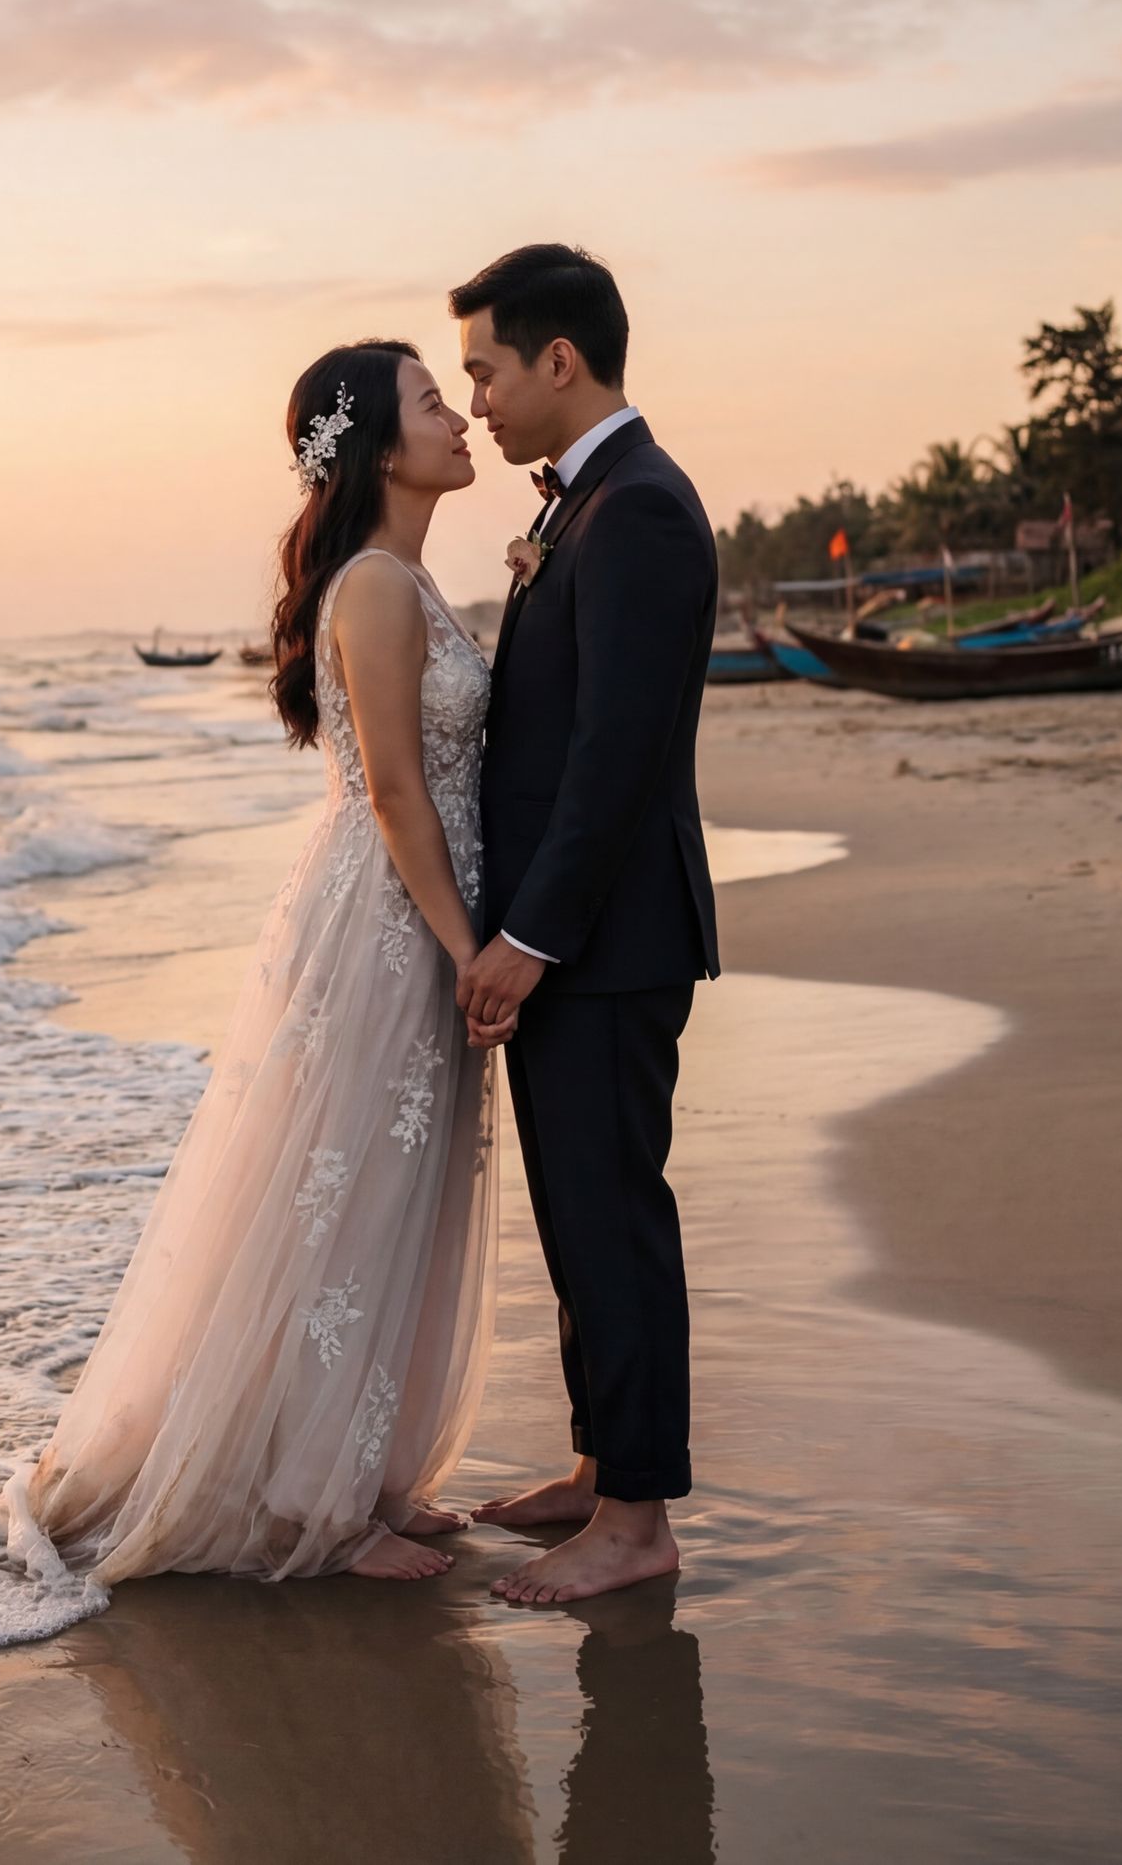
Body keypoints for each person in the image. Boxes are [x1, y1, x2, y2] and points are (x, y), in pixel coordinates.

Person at [0, 339, 500, 1583]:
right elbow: (389, 788)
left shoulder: (410, 580)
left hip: (415, 911)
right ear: (382, 447)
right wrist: (469, 948)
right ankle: (303, 1503)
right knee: (342, 1193)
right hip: (386, 919)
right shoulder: (374, 587)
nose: (459, 418)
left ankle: (363, 1468)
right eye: (436, 402)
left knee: (399, 1187)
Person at [449, 245, 722, 1605]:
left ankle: (639, 1518)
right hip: (585, 945)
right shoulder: (588, 507)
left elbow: (615, 756)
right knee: (577, 1217)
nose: (479, 400)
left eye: (487, 371)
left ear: (562, 360)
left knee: (615, 1218)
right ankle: (599, 1463)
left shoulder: (643, 512)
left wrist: (532, 935)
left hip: (608, 946)